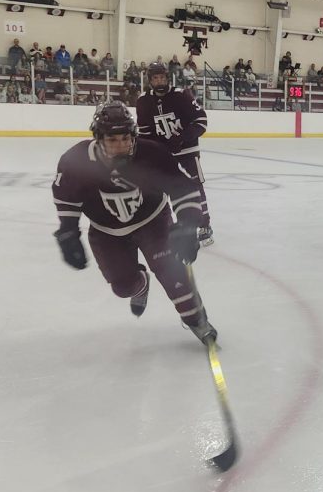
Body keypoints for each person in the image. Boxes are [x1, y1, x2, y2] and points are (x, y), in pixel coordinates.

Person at [51, 101, 216, 344]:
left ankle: (196, 320)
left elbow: (183, 189)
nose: (121, 146)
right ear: (98, 138)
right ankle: (140, 285)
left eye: (126, 138)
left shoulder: (152, 153)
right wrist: (67, 231)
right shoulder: (75, 161)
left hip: (153, 223)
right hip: (106, 233)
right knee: (122, 287)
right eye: (112, 139)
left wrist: (188, 224)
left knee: (172, 272)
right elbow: (66, 197)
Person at [134, 61, 213, 246]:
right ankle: (163, 225)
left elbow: (201, 121)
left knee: (194, 187)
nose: (159, 81)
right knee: (160, 190)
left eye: (162, 77)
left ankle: (204, 225)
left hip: (187, 152)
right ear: (150, 81)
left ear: (167, 78)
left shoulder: (181, 95)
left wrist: (183, 138)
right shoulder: (143, 101)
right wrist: (148, 152)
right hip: (162, 155)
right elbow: (145, 132)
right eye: (155, 78)